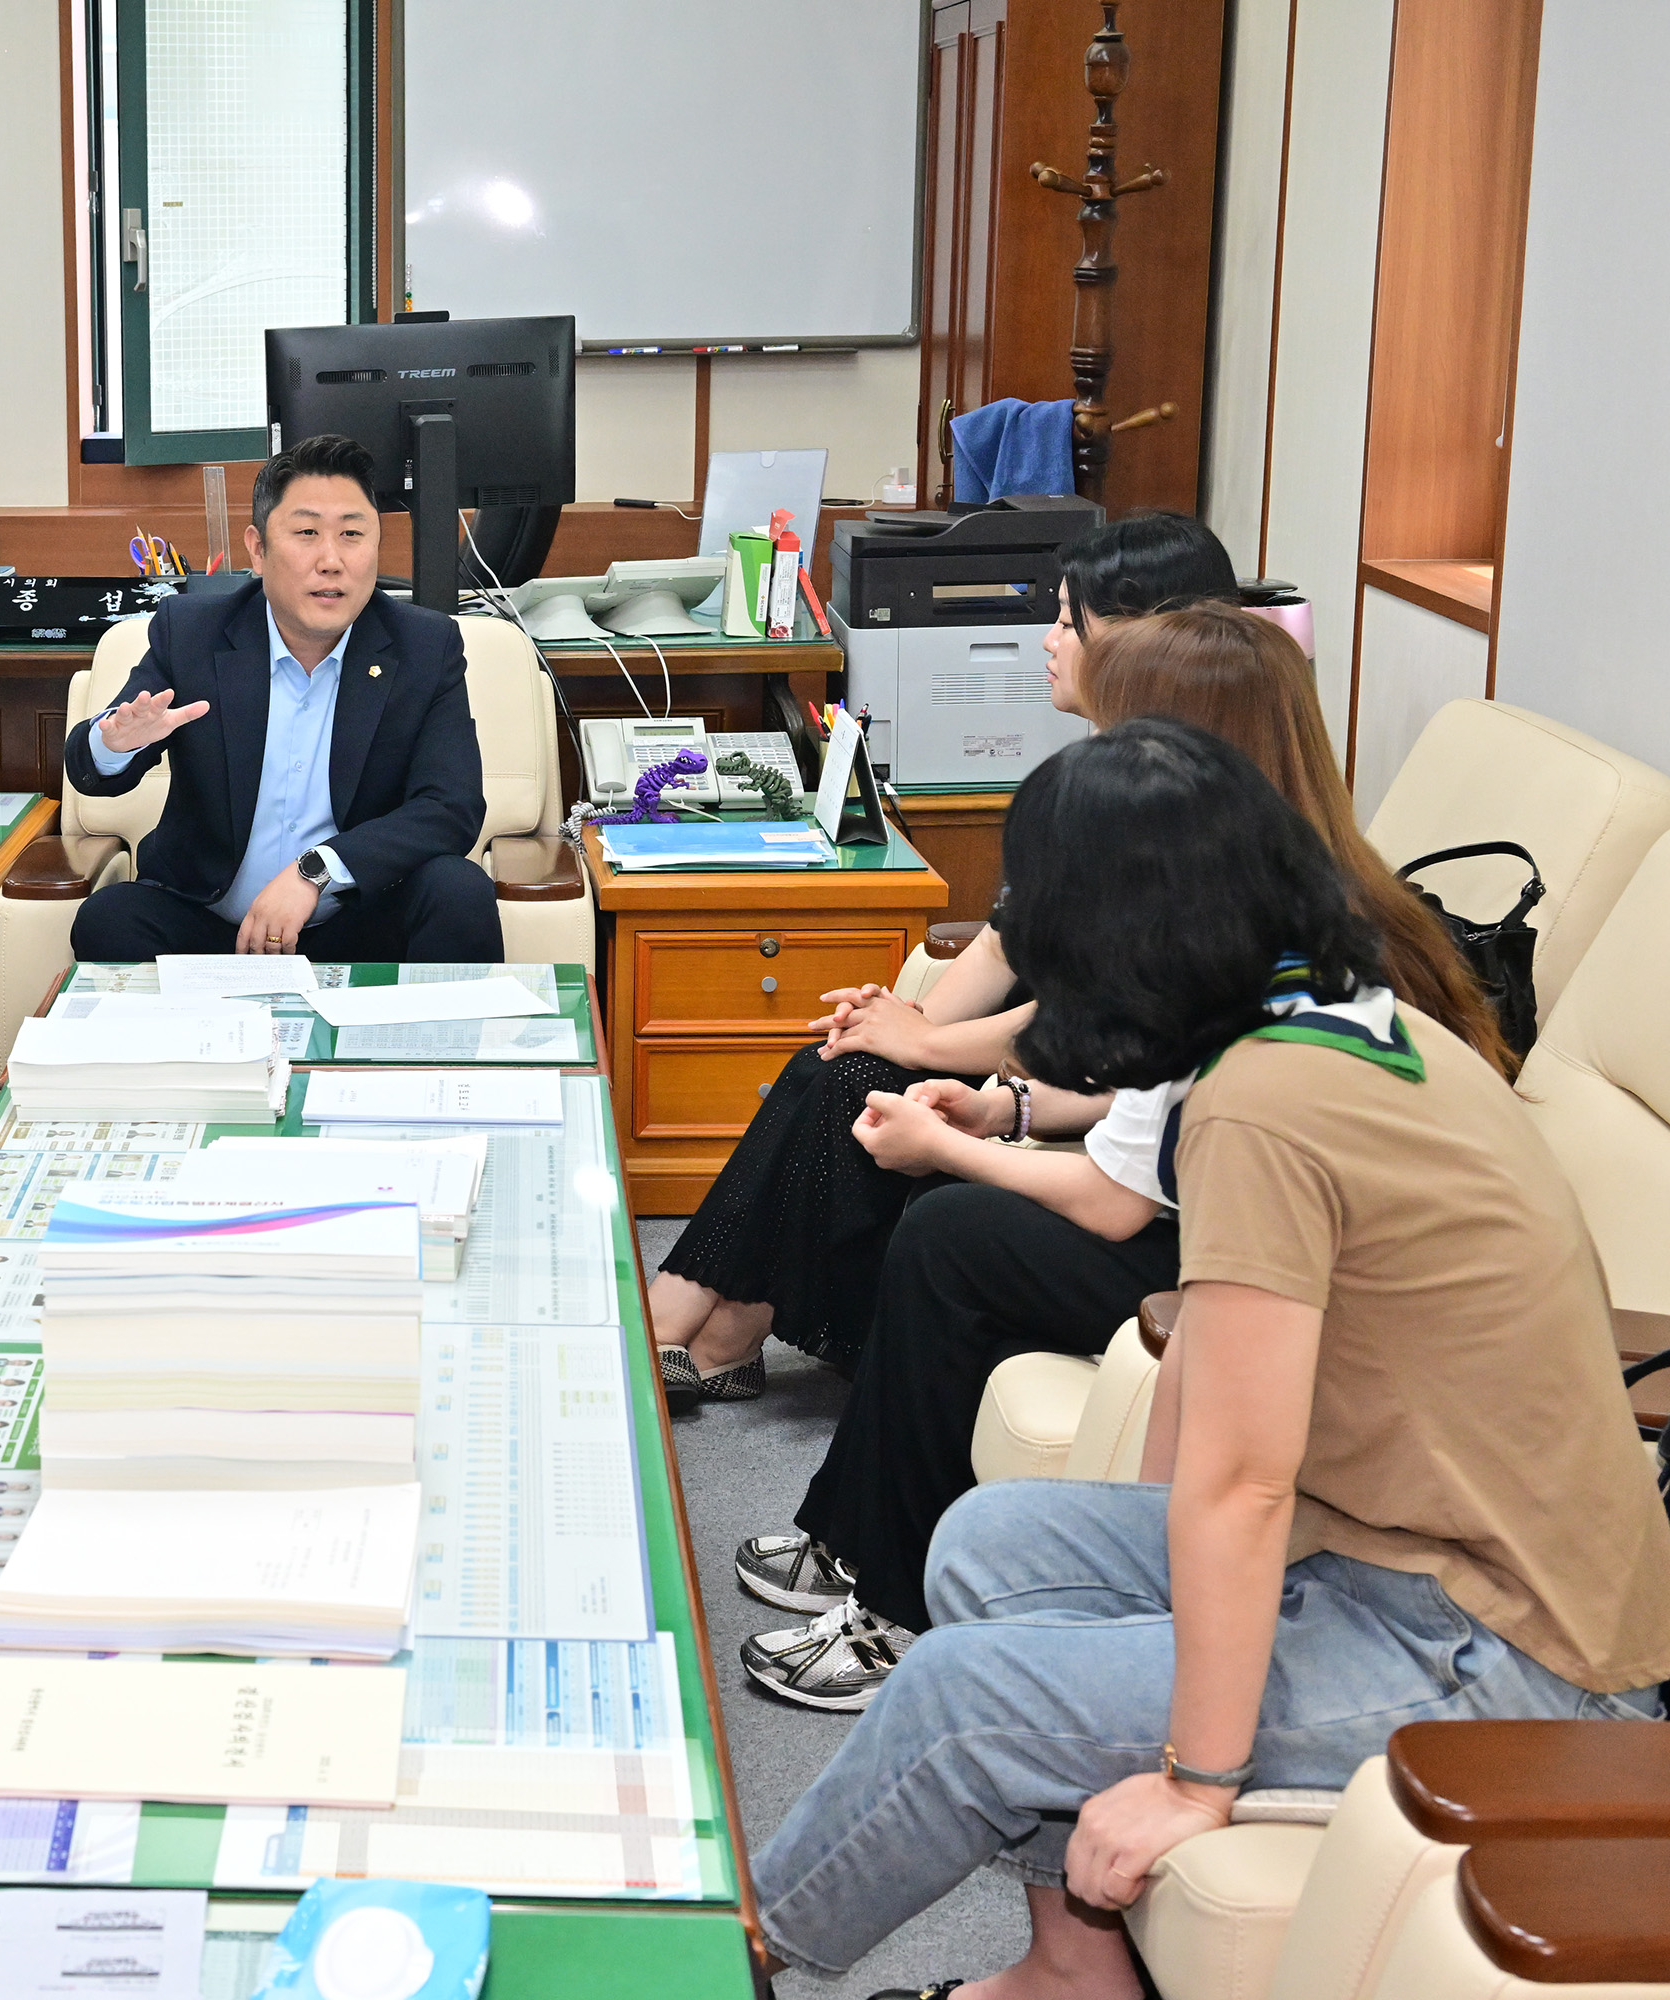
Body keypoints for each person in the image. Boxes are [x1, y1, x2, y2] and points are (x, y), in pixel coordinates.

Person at [748, 718, 1670, 1999]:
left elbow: (1240, 1483)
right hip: (1396, 1550)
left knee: (964, 1695)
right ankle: (1079, 1973)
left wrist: (1198, 1776)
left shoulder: (1265, 1102)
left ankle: (730, 1952)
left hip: (1509, 1651)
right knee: (988, 1543)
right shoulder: (1327, 1005)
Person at [733, 604, 1512, 1710]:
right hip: (1225, 1216)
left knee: (951, 1238)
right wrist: (1000, 1109)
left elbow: (1124, 1187)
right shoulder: (1280, 888)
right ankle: (861, 1542)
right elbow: (1131, 1089)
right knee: (933, 1199)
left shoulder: (1262, 938)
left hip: (1286, 1266)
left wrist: (954, 1144)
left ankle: (893, 1604)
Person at [649, 514, 1240, 1405]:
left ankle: (701, 1326)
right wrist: (902, 1021)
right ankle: (713, 1332)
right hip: (1056, 1073)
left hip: (1108, 1112)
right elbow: (1009, 944)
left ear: (1143, 638)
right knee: (840, 1058)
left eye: (1070, 623)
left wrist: (922, 1047)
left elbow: (1079, 1030)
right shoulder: (1098, 764)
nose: (1049, 643)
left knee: (860, 1077)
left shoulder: (1184, 810)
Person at [65, 432, 504, 964]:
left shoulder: (424, 647)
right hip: (212, 924)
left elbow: (450, 808)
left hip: (356, 924)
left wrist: (314, 872)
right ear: (257, 549)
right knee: (107, 921)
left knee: (459, 892)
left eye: (352, 534)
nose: (331, 560)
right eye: (306, 533)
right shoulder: (195, 634)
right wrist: (115, 744)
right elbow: (92, 768)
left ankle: (426, 1049)